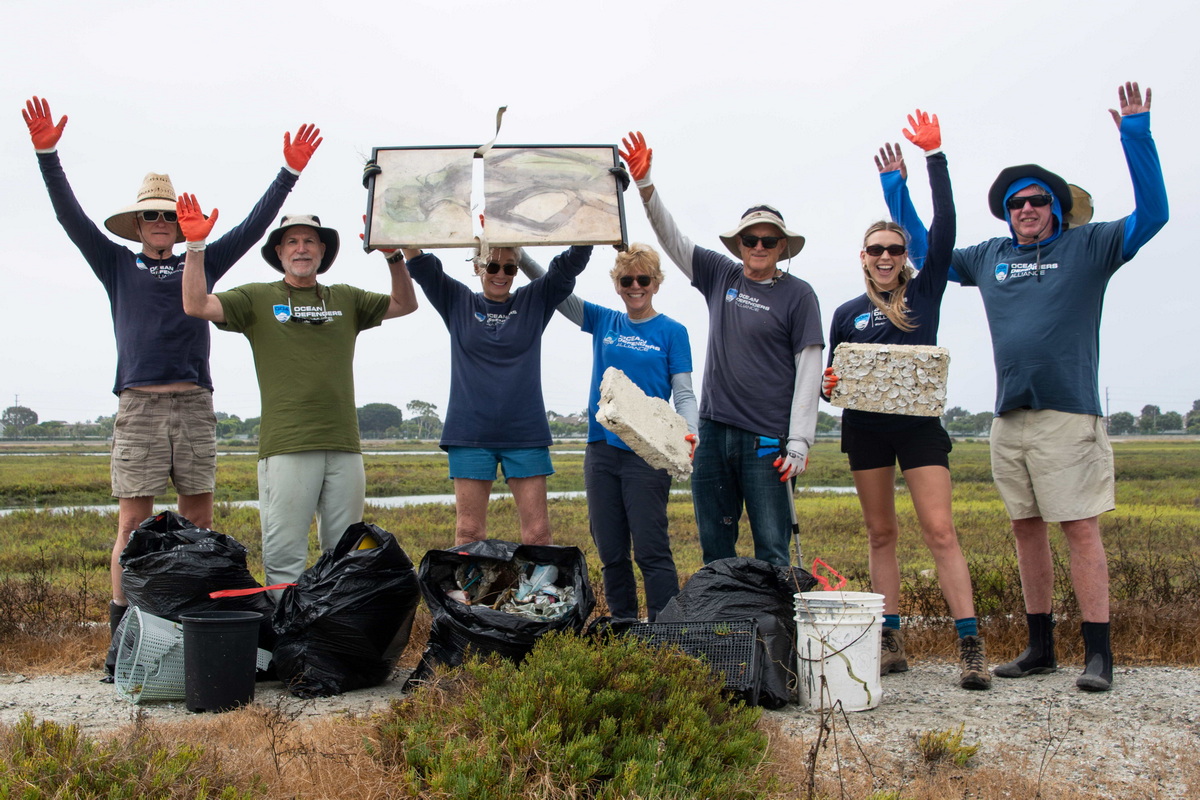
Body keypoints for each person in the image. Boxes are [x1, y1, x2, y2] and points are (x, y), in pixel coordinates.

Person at [881, 82, 1169, 691]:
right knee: (1025, 528)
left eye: (1039, 201)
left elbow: (1153, 216)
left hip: (1069, 412)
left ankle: (1098, 654)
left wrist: (1137, 136)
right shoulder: (990, 257)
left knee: (1080, 527)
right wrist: (896, 188)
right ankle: (1041, 647)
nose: (1027, 209)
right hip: (1009, 415)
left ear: (1057, 209)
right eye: (1017, 204)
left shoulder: (1089, 245)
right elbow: (929, 252)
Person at [21, 95, 319, 666]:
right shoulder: (115, 262)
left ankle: (188, 630)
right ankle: (121, 639)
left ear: (180, 224)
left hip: (194, 404)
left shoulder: (199, 259)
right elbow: (69, 217)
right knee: (132, 524)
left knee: (197, 520)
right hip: (139, 406)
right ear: (137, 224)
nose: (160, 224)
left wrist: (288, 173)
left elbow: (253, 227)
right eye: (151, 217)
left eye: (168, 216)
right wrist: (47, 157)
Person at [823, 111, 988, 690]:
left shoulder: (924, 291)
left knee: (940, 531)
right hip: (865, 430)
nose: (886, 256)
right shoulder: (846, 313)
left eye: (894, 248)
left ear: (905, 253)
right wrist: (828, 386)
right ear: (863, 256)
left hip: (919, 430)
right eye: (876, 249)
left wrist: (934, 159)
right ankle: (891, 642)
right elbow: (834, 378)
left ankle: (970, 645)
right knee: (881, 534)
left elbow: (945, 229)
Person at [179, 202, 418, 587]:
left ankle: (336, 623)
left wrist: (392, 256)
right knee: (284, 553)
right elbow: (196, 304)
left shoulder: (346, 299)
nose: (301, 248)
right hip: (287, 444)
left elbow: (405, 304)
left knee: (347, 554)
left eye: (310, 241)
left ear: (323, 251)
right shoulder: (256, 298)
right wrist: (195, 248)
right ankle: (284, 625)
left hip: (343, 444)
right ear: (279, 252)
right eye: (292, 242)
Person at [620, 132, 824, 567]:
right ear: (740, 244)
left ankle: (774, 614)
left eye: (768, 241)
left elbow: (809, 369)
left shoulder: (799, 295)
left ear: (782, 247)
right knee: (715, 548)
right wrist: (646, 185)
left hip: (768, 439)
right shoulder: (721, 274)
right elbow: (673, 239)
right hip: (713, 432)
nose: (759, 247)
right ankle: (722, 612)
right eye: (751, 239)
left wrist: (799, 442)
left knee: (772, 548)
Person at [519, 244, 698, 621]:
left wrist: (690, 432)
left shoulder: (673, 331)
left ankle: (665, 630)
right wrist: (518, 255)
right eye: (627, 280)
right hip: (601, 451)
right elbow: (554, 288)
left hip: (648, 454)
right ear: (617, 285)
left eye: (643, 279)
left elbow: (683, 393)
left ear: (656, 283)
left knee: (651, 549)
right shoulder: (604, 321)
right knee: (611, 551)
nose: (636, 286)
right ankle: (623, 624)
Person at [399, 241, 592, 546]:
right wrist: (400, 235)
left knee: (538, 534)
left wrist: (589, 232)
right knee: (469, 532)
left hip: (525, 433)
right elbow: (423, 268)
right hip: (469, 434)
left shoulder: (534, 299)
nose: (500, 274)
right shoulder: (457, 300)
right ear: (478, 267)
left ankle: (538, 581)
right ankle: (469, 581)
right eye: (492, 266)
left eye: (509, 268)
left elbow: (567, 268)